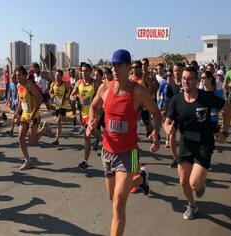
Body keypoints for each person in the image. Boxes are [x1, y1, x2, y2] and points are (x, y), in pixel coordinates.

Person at [86, 49, 161, 235]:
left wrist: (156, 132)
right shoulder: (104, 88)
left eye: (120, 65)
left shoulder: (138, 91)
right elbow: (93, 107)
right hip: (108, 152)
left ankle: (140, 176)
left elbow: (156, 113)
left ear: (129, 67)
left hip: (130, 153)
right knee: (113, 197)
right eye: (113, 65)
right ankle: (142, 178)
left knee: (119, 203)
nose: (115, 68)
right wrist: (91, 121)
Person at [164, 66, 231, 220]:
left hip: (204, 144)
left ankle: (200, 182)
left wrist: (225, 132)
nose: (185, 81)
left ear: (196, 81)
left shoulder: (207, 97)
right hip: (186, 144)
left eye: (189, 79)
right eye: (183, 79)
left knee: (194, 184)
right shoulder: (177, 100)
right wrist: (168, 129)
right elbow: (167, 122)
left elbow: (227, 109)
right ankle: (192, 205)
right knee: (183, 181)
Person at [13, 66, 49, 170]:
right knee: (20, 137)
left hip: (34, 115)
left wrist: (33, 113)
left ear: (25, 75)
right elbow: (21, 101)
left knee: (33, 141)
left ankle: (44, 128)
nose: (17, 77)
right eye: (16, 75)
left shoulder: (29, 85)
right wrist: (16, 113)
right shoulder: (19, 86)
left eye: (19, 75)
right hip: (25, 115)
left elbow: (39, 99)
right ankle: (27, 160)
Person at [71, 63, 102, 171]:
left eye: (86, 71)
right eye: (82, 71)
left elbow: (103, 97)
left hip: (93, 115)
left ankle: (85, 162)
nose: (83, 73)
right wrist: (73, 98)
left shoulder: (95, 84)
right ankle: (107, 144)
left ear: (90, 72)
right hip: (83, 115)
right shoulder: (79, 83)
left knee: (87, 136)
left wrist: (99, 111)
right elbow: (72, 95)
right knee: (92, 134)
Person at [49, 69, 74, 145]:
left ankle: (57, 139)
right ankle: (72, 119)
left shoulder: (65, 84)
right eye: (55, 75)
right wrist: (51, 95)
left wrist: (67, 96)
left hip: (63, 105)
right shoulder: (53, 84)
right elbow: (50, 92)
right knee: (61, 120)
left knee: (58, 121)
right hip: (57, 105)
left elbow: (70, 89)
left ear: (61, 76)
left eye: (58, 75)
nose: (56, 77)